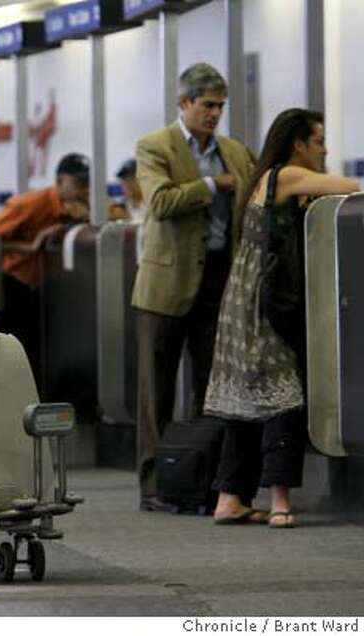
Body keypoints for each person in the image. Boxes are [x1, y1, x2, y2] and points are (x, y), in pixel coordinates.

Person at [203, 109, 358, 528]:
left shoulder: (261, 177)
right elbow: (352, 187)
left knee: (247, 398)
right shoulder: (286, 175)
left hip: (243, 296)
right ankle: (280, 502)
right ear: (299, 144)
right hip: (265, 301)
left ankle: (229, 498)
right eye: (320, 141)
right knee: (283, 393)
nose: (325, 149)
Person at [132, 63, 256, 513]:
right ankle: (153, 487)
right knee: (156, 394)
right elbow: (161, 202)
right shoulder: (155, 146)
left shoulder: (234, 151)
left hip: (220, 281)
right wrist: (209, 185)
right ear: (184, 103)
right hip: (165, 286)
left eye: (220, 106)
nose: (214, 114)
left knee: (211, 387)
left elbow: (255, 193)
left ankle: (202, 481)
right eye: (206, 105)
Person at [0, 153, 90, 384]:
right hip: (16, 283)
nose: (85, 191)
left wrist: (85, 220)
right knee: (12, 345)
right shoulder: (30, 204)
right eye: (80, 184)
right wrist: (29, 246)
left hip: (47, 288)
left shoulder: (83, 207)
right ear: (60, 181)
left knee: (40, 347)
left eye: (88, 184)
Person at [115, 159, 147, 223]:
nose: (128, 184)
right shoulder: (119, 209)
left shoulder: (153, 206)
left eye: (132, 178)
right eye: (124, 179)